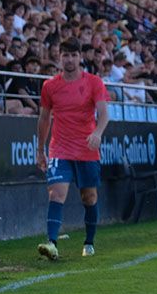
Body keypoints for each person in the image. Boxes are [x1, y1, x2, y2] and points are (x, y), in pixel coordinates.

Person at [35, 38, 110, 260]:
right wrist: (40, 150)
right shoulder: (50, 86)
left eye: (73, 55)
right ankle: (51, 243)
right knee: (56, 193)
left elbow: (104, 113)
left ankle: (89, 242)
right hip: (60, 149)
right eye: (65, 55)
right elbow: (44, 119)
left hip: (87, 149)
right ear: (59, 57)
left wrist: (97, 132)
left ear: (80, 57)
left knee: (89, 197)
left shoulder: (94, 82)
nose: (69, 59)